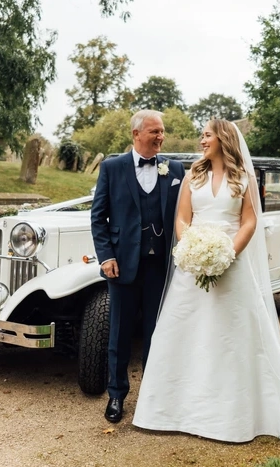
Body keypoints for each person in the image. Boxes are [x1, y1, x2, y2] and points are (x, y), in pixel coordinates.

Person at [132, 119, 280, 446]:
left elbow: (249, 221)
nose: (201, 141)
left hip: (232, 263)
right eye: (202, 136)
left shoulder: (243, 179)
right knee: (184, 332)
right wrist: (192, 250)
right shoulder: (192, 176)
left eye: (207, 135)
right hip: (193, 267)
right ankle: (171, 411)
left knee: (231, 336)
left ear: (223, 139)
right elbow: (182, 217)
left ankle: (232, 415)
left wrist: (227, 253)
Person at [90, 109, 186, 423]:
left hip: (160, 265)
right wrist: (106, 257)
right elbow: (98, 218)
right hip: (122, 266)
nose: (161, 137)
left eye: (162, 131)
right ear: (136, 134)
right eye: (155, 131)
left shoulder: (174, 169)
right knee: (119, 333)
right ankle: (116, 395)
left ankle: (152, 395)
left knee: (156, 332)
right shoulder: (112, 168)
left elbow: (186, 213)